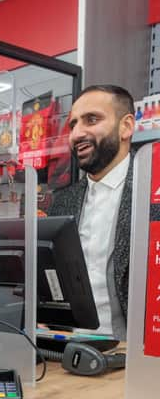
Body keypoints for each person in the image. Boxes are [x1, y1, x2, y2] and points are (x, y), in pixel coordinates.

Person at [47, 84, 135, 340]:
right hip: (69, 350)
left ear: (126, 127)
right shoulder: (62, 202)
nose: (77, 134)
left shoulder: (153, 192)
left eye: (92, 120)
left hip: (139, 357)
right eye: (73, 124)